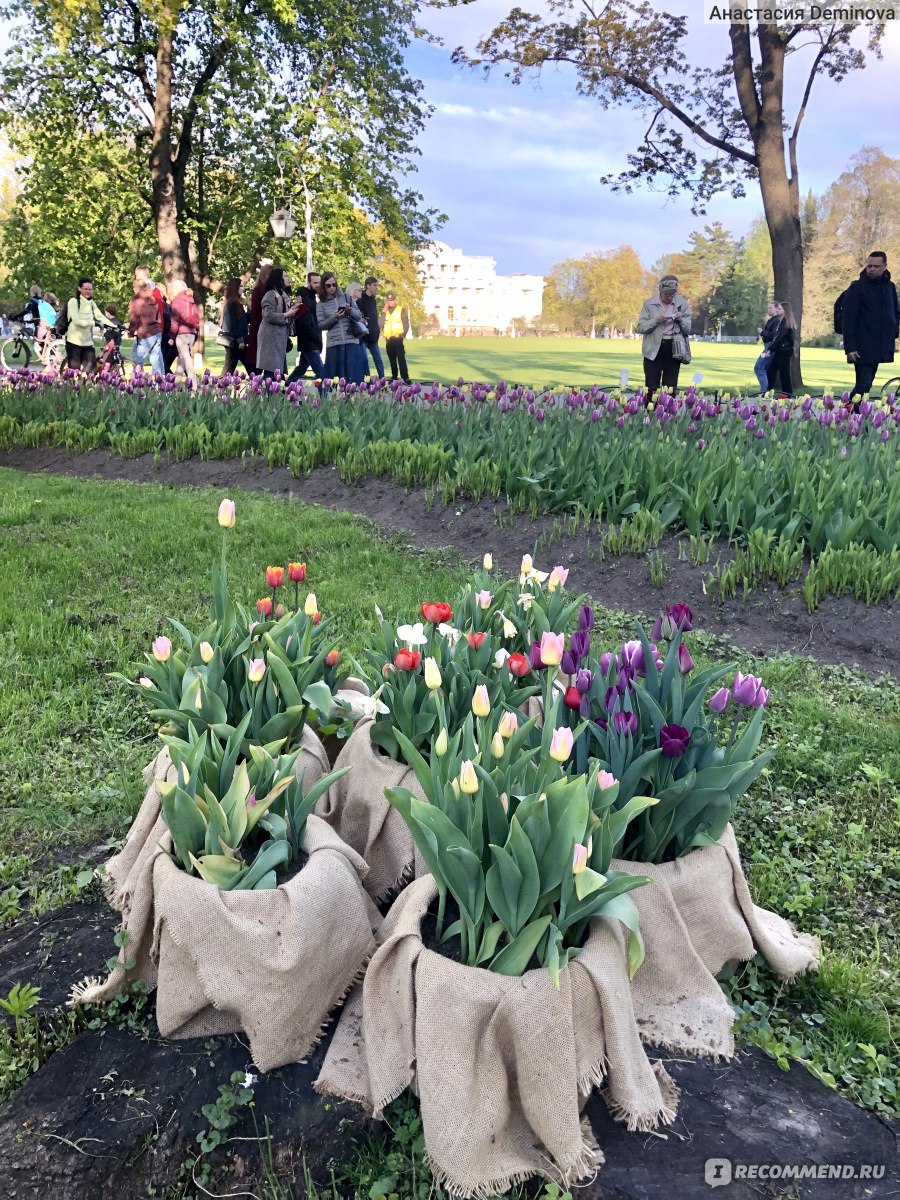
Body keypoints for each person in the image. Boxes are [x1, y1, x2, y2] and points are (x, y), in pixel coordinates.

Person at [841, 251, 900, 401]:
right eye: (869, 266)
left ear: (885, 266)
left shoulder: (889, 287)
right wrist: (850, 347)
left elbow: (894, 313)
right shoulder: (857, 288)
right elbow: (848, 320)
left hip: (880, 344)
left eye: (876, 266)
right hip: (862, 345)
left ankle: (854, 417)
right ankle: (853, 417)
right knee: (863, 385)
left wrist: (893, 336)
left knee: (866, 384)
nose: (872, 269)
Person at [635, 274, 692, 402]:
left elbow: (688, 329)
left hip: (674, 349)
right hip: (653, 349)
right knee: (651, 386)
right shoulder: (649, 304)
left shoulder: (682, 304)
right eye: (667, 294)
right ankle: (649, 415)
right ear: (661, 290)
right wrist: (656, 320)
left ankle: (667, 416)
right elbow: (640, 327)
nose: (670, 297)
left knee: (670, 387)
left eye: (673, 294)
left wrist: (681, 319)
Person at [317, 272, 365, 383]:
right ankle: (332, 399)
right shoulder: (321, 304)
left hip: (351, 340)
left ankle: (351, 398)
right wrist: (334, 317)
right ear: (323, 287)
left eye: (334, 284)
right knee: (333, 379)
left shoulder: (347, 298)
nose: (332, 288)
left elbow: (358, 316)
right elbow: (321, 325)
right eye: (328, 285)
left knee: (353, 378)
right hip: (334, 343)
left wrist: (349, 310)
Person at [256, 267, 302, 381]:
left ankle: (275, 394)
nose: (289, 279)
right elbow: (268, 315)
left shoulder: (283, 296)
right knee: (271, 369)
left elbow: (287, 314)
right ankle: (271, 395)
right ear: (279, 279)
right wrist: (287, 314)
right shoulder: (270, 295)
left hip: (279, 337)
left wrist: (294, 308)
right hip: (270, 337)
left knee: (276, 370)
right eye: (285, 276)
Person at [63, 277, 116, 372]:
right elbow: (76, 321)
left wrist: (114, 325)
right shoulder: (73, 301)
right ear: (79, 289)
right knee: (74, 371)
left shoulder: (91, 303)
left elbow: (100, 316)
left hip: (87, 342)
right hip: (74, 341)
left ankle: (84, 385)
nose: (88, 291)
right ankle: (71, 385)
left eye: (90, 289)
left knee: (92, 369)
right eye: (85, 289)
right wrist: (94, 323)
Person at [285, 271, 325, 383]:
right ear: (309, 283)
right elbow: (305, 321)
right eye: (315, 282)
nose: (318, 285)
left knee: (301, 369)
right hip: (309, 341)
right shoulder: (305, 299)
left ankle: (286, 389)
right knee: (321, 371)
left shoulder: (311, 298)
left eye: (319, 283)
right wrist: (315, 336)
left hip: (310, 340)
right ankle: (325, 396)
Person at [133, 266, 174, 371]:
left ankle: (136, 378)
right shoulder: (156, 291)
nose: (136, 278)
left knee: (138, 355)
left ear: (143, 275)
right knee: (156, 357)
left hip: (147, 330)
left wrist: (134, 329)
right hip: (157, 329)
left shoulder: (147, 293)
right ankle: (160, 380)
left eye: (137, 275)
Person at [128, 279, 165, 375]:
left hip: (146, 333)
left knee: (137, 357)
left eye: (133, 287)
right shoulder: (152, 299)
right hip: (156, 332)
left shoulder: (136, 300)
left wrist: (130, 332)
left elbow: (134, 318)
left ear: (137, 287)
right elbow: (159, 317)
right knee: (155, 359)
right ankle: (159, 383)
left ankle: (137, 380)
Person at [168, 280, 200, 386]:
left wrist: (172, 335)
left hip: (182, 334)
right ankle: (175, 385)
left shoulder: (177, 301)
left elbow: (175, 320)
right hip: (191, 333)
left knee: (186, 360)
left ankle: (194, 384)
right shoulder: (191, 300)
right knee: (181, 362)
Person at [762, 301, 796, 395]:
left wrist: (770, 349)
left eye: (780, 309)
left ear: (785, 311)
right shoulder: (782, 321)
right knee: (771, 371)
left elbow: (780, 338)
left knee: (784, 374)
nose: (777, 310)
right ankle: (769, 392)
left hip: (784, 351)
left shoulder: (785, 322)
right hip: (780, 350)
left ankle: (787, 394)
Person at [246, 260, 274, 373]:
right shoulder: (262, 290)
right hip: (260, 326)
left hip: (258, 326)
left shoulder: (259, 289)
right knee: (260, 359)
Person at [218, 278, 249, 375]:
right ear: (235, 288)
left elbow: (243, 320)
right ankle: (221, 386)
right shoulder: (232, 303)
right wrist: (240, 340)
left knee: (247, 364)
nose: (243, 288)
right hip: (234, 341)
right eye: (241, 286)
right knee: (229, 366)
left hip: (237, 340)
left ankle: (257, 382)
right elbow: (233, 323)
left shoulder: (236, 302)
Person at [357, 276, 385, 378]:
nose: (376, 287)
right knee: (364, 361)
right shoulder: (361, 299)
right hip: (364, 337)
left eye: (377, 285)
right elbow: (358, 316)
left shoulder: (373, 299)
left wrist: (378, 329)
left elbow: (374, 316)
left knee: (378, 360)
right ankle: (367, 382)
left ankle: (383, 381)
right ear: (368, 286)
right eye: (374, 285)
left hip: (373, 337)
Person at [381, 292, 411, 383]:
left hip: (398, 337)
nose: (390, 302)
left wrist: (403, 334)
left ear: (395, 300)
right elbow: (380, 323)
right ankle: (394, 376)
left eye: (392, 300)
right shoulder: (385, 311)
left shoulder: (400, 310)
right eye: (389, 300)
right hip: (389, 338)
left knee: (401, 358)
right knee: (392, 359)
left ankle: (405, 377)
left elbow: (406, 323)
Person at [754, 302, 782, 392]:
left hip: (770, 347)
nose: (769, 309)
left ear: (776, 309)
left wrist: (762, 332)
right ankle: (766, 391)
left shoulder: (777, 320)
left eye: (771, 308)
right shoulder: (771, 320)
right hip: (767, 345)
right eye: (768, 308)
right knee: (764, 368)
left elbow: (773, 335)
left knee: (759, 367)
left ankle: (764, 392)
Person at [345, 282, 370, 380]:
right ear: (354, 292)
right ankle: (361, 383)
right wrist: (360, 319)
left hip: (360, 336)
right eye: (359, 290)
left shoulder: (358, 303)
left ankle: (366, 383)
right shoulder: (348, 303)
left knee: (364, 361)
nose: (361, 292)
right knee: (358, 361)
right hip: (352, 336)